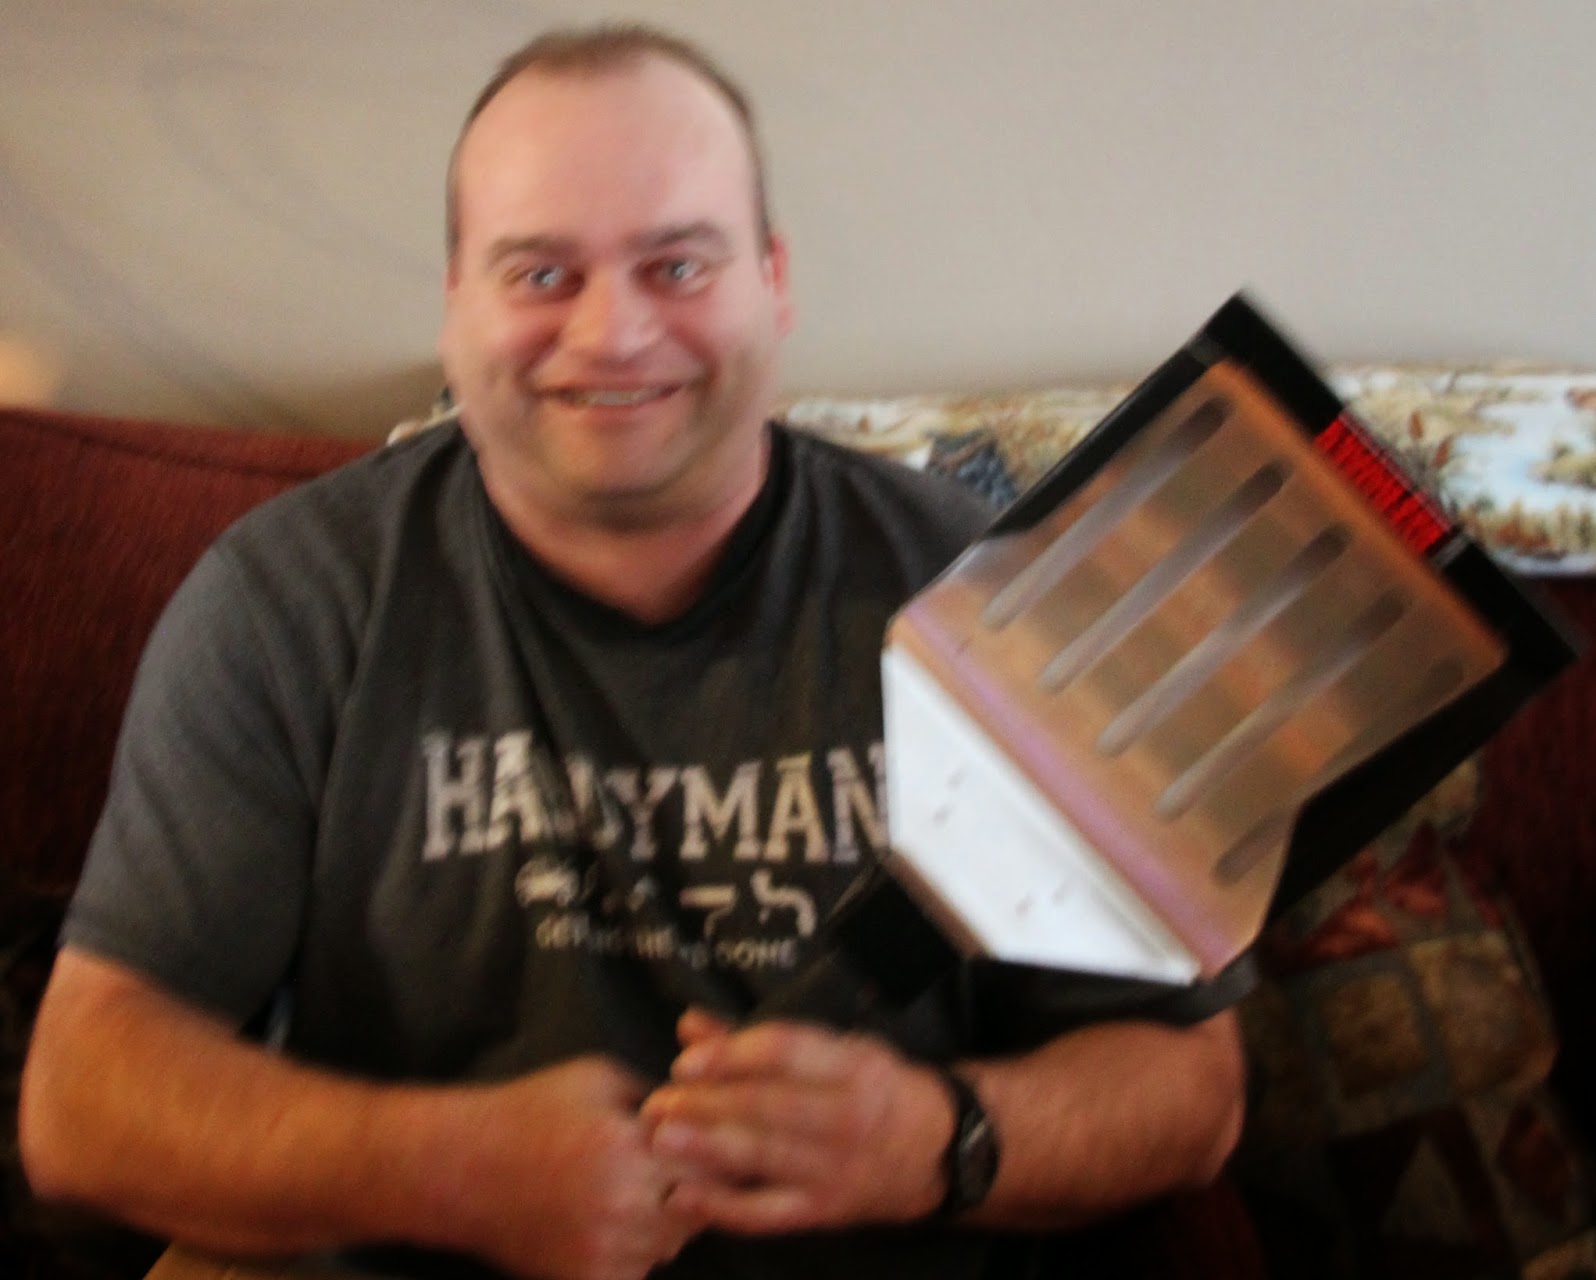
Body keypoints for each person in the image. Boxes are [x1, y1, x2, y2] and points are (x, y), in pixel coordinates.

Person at [19, 24, 1246, 1280]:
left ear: (773, 279)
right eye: (541, 273)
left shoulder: (979, 597)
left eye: (677, 264)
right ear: (455, 302)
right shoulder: (292, 599)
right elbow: (83, 1093)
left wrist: (940, 1139)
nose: (611, 333)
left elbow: (1187, 1081)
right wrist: (443, 1169)